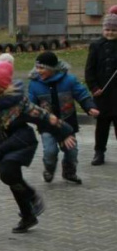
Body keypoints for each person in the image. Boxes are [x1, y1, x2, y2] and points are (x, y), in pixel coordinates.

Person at [0, 61, 76, 233]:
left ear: (2, 86)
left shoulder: (19, 104)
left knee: (9, 172)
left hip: (21, 142)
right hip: (0, 146)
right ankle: (28, 215)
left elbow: (44, 117)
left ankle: (32, 196)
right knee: (11, 179)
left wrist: (64, 132)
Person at [27, 51, 98, 184]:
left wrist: (90, 107)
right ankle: (49, 168)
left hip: (67, 124)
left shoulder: (69, 80)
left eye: (42, 68)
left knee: (71, 151)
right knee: (50, 151)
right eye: (37, 67)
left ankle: (69, 172)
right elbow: (30, 105)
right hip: (47, 125)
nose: (38, 71)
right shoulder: (35, 84)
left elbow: (82, 94)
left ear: (52, 68)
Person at [85, 13, 117, 166]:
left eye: (114, 30)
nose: (110, 32)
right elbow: (89, 70)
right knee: (102, 126)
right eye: (107, 29)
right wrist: (94, 87)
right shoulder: (96, 46)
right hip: (102, 94)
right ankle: (99, 152)